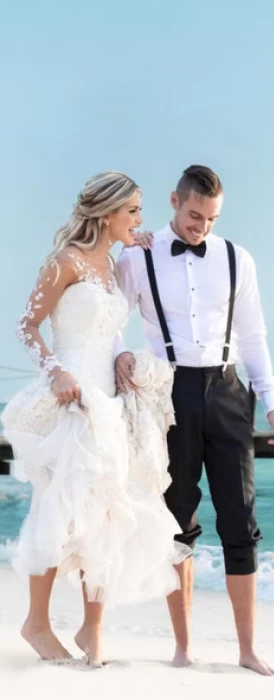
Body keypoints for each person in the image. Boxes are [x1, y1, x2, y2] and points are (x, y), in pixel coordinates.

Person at [1, 172, 187, 667]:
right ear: (107, 214)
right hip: (71, 399)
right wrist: (55, 370)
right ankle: (36, 622)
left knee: (109, 514)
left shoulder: (110, 264)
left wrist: (124, 358)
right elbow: (26, 324)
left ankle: (93, 632)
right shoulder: (66, 262)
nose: (140, 220)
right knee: (61, 513)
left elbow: (111, 333)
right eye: (133, 212)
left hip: (109, 399)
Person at [115, 165, 274, 674]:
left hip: (229, 392)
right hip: (168, 393)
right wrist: (117, 354)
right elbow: (110, 317)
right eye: (194, 216)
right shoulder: (138, 255)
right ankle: (183, 647)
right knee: (178, 521)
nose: (201, 228)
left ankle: (247, 650)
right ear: (174, 201)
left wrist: (272, 401)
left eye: (211, 219)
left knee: (240, 520)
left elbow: (254, 335)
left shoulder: (237, 259)